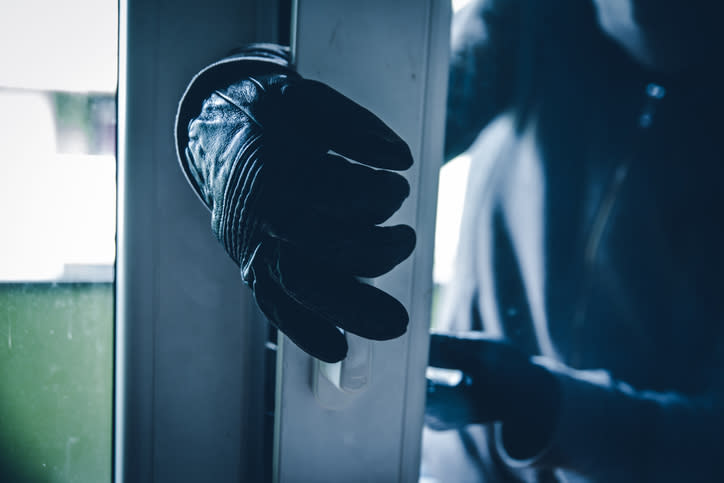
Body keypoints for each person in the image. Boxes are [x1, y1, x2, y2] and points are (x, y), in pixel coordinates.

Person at [174, 1, 724, 480]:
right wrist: (236, 102)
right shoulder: (533, 18)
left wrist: (552, 405)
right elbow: (385, 111)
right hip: (446, 467)